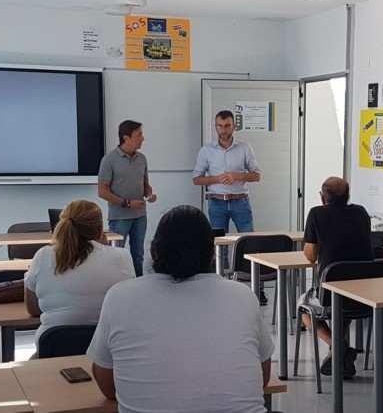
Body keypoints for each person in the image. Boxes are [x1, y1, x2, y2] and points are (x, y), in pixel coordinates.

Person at [87, 205, 274, 413]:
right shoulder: (243, 296)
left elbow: (107, 386)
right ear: (212, 253)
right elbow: (263, 378)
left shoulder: (119, 297)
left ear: (153, 250)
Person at [24, 200, 134, 346]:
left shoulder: (43, 255)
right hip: (108, 348)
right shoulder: (123, 256)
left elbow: (33, 309)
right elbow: (127, 305)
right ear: (100, 228)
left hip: (55, 346)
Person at [299, 176, 372, 378]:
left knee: (303, 309)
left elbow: (311, 256)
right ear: (348, 196)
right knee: (344, 306)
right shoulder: (361, 212)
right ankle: (340, 354)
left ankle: (340, 347)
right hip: (363, 294)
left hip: (330, 294)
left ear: (323, 198)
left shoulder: (316, 214)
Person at [192, 110, 262, 300]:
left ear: (234, 126)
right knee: (218, 247)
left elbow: (256, 175)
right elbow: (196, 179)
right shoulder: (206, 150)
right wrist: (217, 179)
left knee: (249, 244)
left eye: (227, 126)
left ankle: (257, 288)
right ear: (215, 127)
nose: (223, 130)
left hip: (240, 201)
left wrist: (237, 175)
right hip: (217, 202)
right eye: (220, 126)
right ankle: (219, 287)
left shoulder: (244, 148)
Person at [98, 120, 156, 277]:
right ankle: (116, 286)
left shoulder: (142, 158)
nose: (143, 138)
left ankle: (138, 286)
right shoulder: (109, 160)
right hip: (119, 218)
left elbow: (145, 185)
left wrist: (149, 194)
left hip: (140, 217)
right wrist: (126, 203)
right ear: (126, 138)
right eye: (139, 135)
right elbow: (102, 191)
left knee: (138, 256)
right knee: (116, 257)